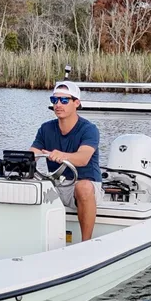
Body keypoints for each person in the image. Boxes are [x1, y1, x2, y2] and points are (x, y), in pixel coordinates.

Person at [30, 81, 102, 241]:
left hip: (86, 186)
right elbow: (31, 155)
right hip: (56, 186)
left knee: (84, 187)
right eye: (54, 100)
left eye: (64, 100)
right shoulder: (45, 129)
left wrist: (63, 155)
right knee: (28, 186)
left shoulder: (89, 129)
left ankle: (86, 242)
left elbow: (83, 159)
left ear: (76, 103)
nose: (58, 105)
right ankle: (35, 242)